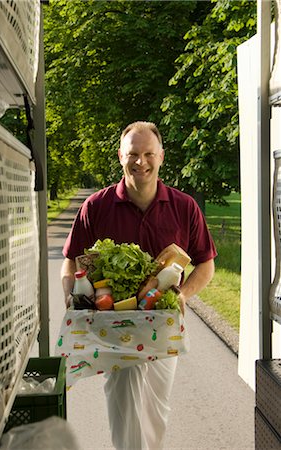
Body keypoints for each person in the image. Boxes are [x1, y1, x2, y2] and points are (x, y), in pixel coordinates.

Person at [61, 121, 217, 449]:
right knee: (124, 396)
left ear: (161, 156)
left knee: (155, 409)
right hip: (114, 327)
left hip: (164, 323)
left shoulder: (184, 206)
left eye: (148, 154)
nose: (141, 162)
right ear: (121, 156)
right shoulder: (97, 206)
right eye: (133, 154)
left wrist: (182, 293)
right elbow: (72, 260)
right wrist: (71, 295)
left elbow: (206, 264)